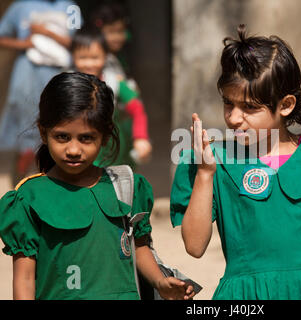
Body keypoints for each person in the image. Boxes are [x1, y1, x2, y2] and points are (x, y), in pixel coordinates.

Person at [170, 25, 301, 300]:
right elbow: (194, 246)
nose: (234, 118)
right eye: (228, 104)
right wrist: (204, 174)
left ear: (285, 105)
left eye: (249, 107)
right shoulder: (214, 160)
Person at [0, 72, 194, 300]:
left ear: (104, 136)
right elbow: (23, 279)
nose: (73, 149)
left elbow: (139, 248)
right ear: (44, 133)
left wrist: (160, 282)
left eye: (86, 138)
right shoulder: (29, 198)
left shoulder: (126, 186)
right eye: (62, 137)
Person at [0, 0, 76, 184]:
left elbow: (78, 42)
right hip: (27, 75)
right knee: (26, 133)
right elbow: (2, 37)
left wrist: (47, 33)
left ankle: (52, 187)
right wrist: (26, 44)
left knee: (58, 129)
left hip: (58, 73)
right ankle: (18, 187)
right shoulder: (20, 7)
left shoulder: (71, 8)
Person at [70, 27, 152, 168]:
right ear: (73, 56)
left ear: (105, 55)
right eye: (83, 57)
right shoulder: (67, 83)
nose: (89, 64)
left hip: (111, 149)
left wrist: (141, 137)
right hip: (77, 147)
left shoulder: (114, 82)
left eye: (95, 57)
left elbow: (137, 108)